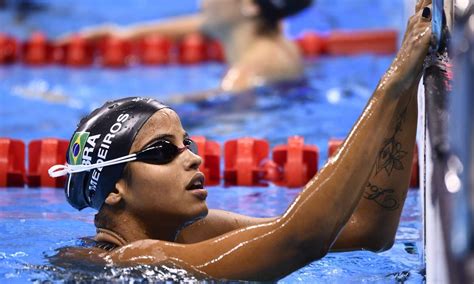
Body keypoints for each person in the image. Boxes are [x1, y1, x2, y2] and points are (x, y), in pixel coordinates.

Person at [48, 1, 433, 281]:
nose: (193, 159)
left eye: (189, 144)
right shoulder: (134, 261)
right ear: (115, 188)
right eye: (163, 151)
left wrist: (409, 81)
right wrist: (392, 81)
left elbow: (367, 230)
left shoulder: (185, 229)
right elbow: (298, 240)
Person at [57, 0, 312, 92]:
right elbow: (201, 24)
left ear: (249, 5)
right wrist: (125, 34)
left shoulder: (245, 75)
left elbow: (210, 110)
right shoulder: (266, 29)